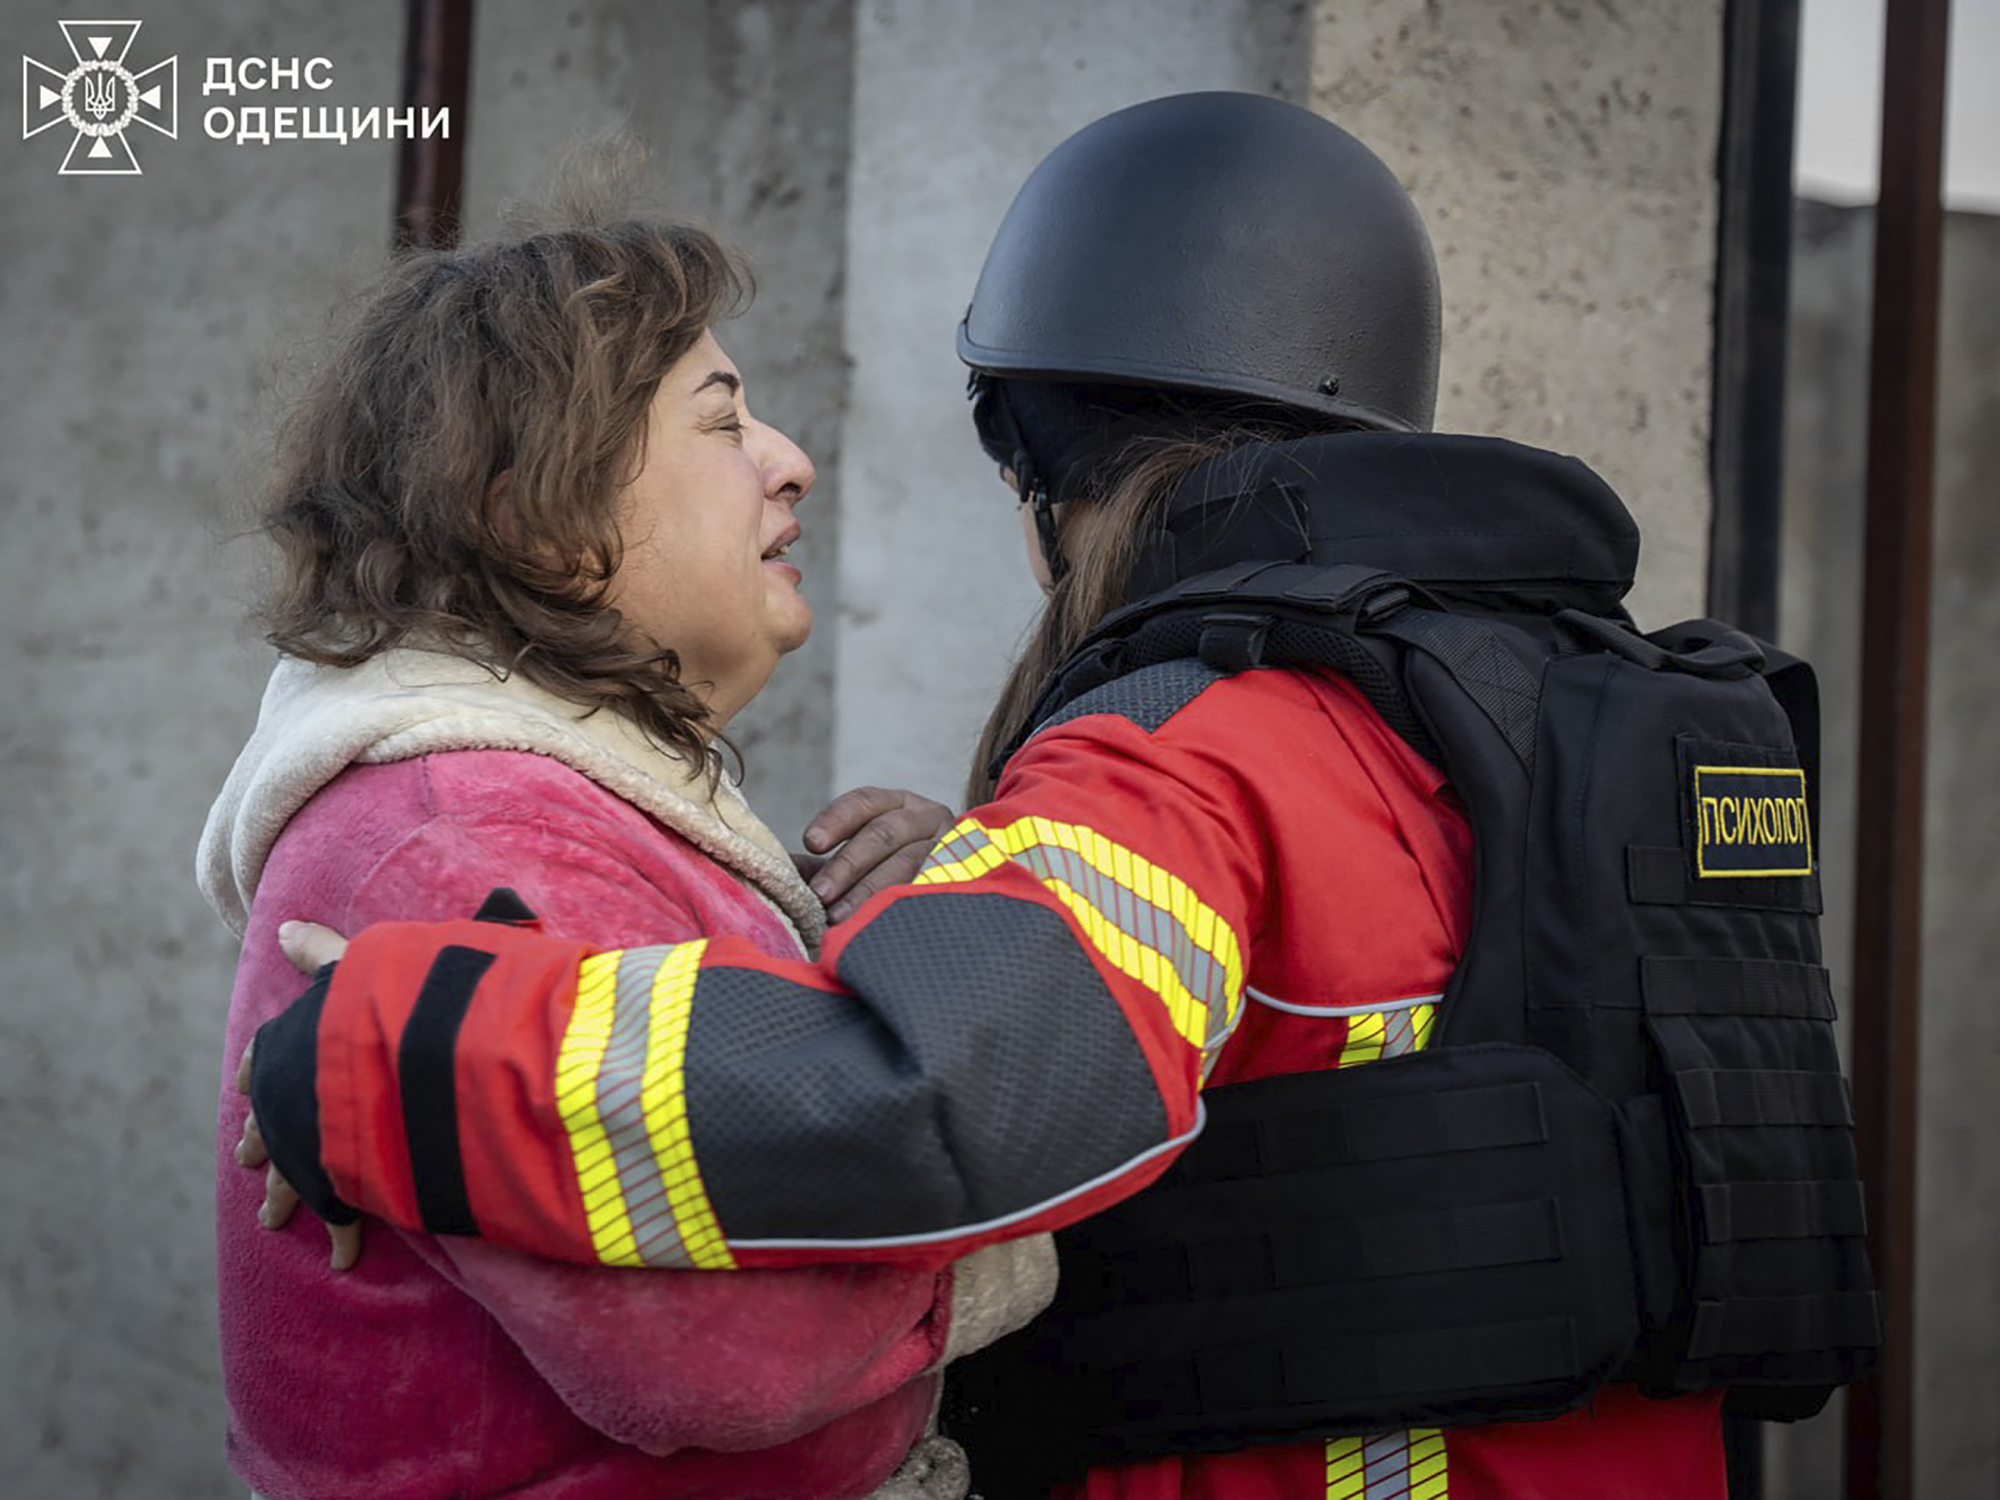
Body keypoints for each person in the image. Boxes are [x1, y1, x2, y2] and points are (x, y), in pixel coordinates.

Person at [241, 94, 1873, 1498]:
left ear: (1045, 464)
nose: (790, 464)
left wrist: (400, 1053)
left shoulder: (1197, 753)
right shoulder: (1566, 709)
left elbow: (915, 1104)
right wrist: (976, 884)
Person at [198, 194, 1053, 1500]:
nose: (790, 461)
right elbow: (718, 1357)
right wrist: (1008, 1239)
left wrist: (925, 927)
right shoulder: (458, 839)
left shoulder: (551, 805)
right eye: (720, 421)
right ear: (541, 519)